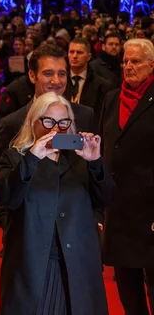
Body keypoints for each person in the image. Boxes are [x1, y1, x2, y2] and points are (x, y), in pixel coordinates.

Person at [0, 92, 112, 315]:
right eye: (48, 121)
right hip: (33, 264)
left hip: (77, 263)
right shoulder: (15, 157)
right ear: (32, 121)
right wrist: (33, 157)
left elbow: (105, 199)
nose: (55, 129)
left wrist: (96, 163)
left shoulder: (81, 158)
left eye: (63, 122)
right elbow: (5, 197)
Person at [0, 44, 95, 243]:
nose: (56, 81)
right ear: (32, 76)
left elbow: (94, 173)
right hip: (28, 237)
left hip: (76, 233)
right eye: (48, 73)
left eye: (62, 74)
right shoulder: (13, 122)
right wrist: (12, 225)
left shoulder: (84, 115)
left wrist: (95, 218)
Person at [100, 38, 154, 315]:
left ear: (151, 65)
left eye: (136, 62)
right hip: (118, 211)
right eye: (125, 61)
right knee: (127, 289)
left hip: (149, 212)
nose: (128, 66)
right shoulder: (112, 98)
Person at [66, 37, 115, 127]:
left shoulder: (102, 85)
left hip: (89, 133)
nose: (74, 56)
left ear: (88, 57)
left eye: (79, 52)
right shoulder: (60, 82)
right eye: (71, 52)